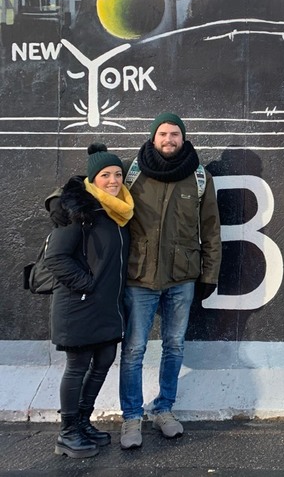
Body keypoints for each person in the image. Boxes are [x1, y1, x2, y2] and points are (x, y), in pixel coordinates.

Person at [119, 112, 222, 450]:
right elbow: (101, 200)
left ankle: (164, 409)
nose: (169, 139)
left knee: (174, 346)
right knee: (133, 349)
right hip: (139, 277)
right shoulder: (132, 173)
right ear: (153, 137)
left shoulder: (200, 177)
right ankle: (131, 417)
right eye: (163, 133)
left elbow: (210, 231)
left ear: (183, 137)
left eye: (174, 134)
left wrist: (209, 275)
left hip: (182, 277)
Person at [44, 143, 133, 458]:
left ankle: (82, 421)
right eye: (105, 175)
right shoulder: (78, 212)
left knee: (105, 359)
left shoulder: (117, 212)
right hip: (79, 305)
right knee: (78, 365)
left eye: (118, 174)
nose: (113, 180)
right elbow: (55, 257)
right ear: (93, 179)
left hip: (106, 307)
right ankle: (67, 433)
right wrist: (88, 285)